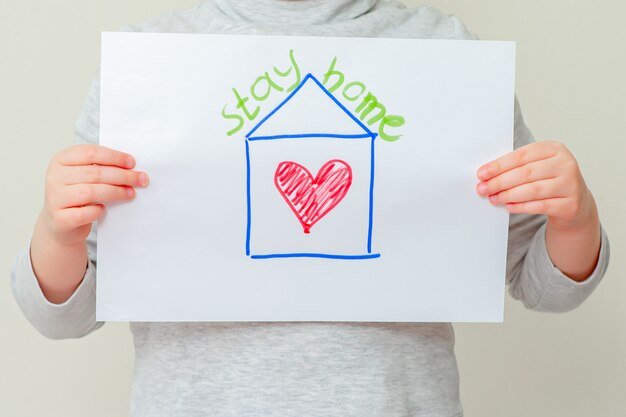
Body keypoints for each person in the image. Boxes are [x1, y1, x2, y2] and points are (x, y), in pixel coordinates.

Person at [11, 1, 610, 416]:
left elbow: (545, 286)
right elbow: (67, 313)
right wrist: (57, 233)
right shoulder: (145, 64)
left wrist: (575, 219)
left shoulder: (445, 52)